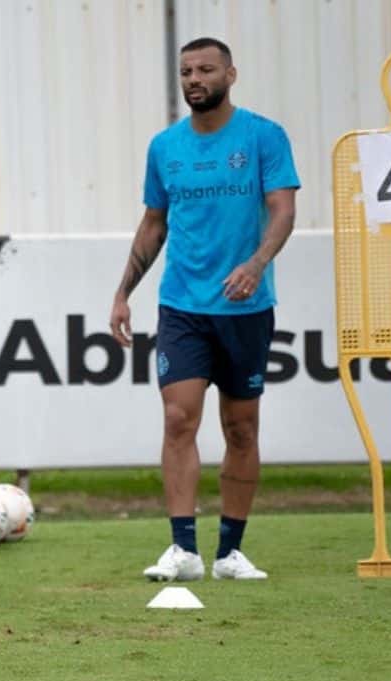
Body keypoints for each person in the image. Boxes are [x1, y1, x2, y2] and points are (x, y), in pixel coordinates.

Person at [108, 37, 299, 582]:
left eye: (206, 69)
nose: (194, 79)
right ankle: (183, 549)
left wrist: (257, 263)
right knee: (176, 418)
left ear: (230, 75)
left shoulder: (264, 136)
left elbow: (283, 211)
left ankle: (230, 552)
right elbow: (153, 223)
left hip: (246, 307)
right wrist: (124, 291)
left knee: (241, 429)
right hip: (183, 306)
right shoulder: (164, 146)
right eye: (186, 71)